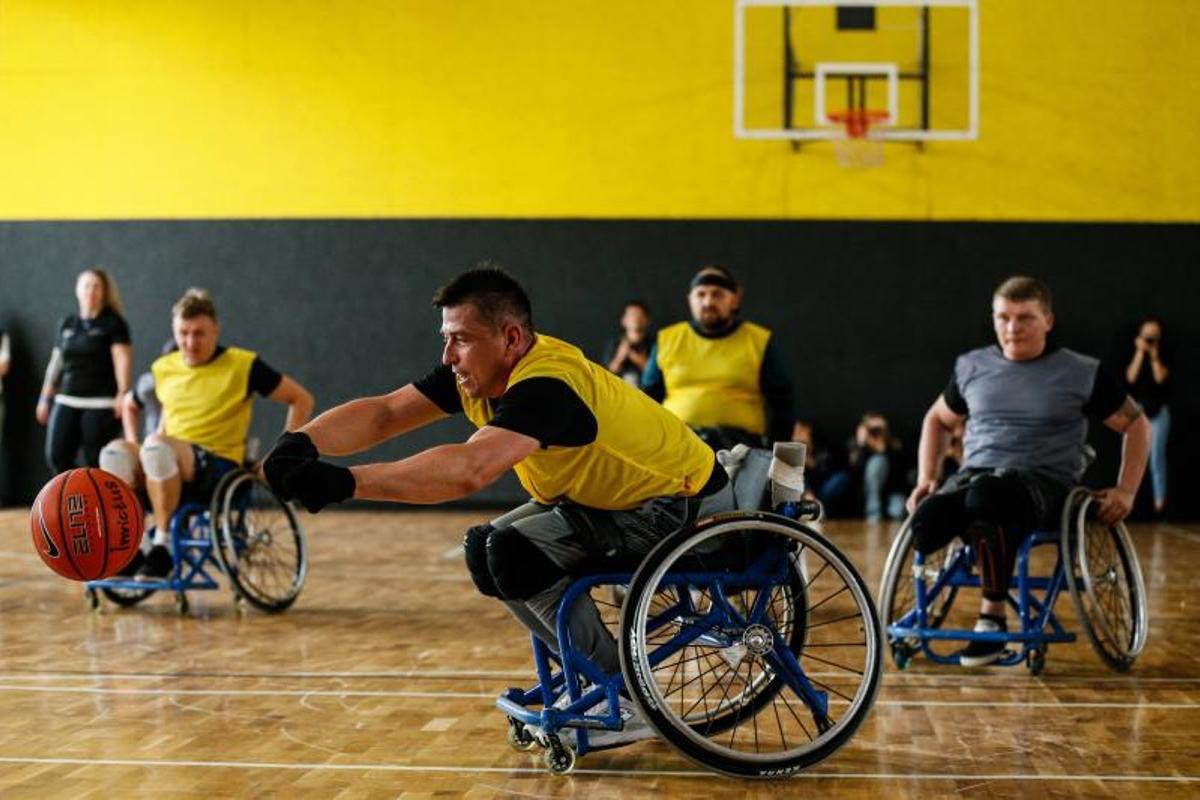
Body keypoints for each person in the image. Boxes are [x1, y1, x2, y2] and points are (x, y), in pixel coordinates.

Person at [262, 265, 734, 748]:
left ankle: (627, 695)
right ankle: (600, 677)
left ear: (510, 338)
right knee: (486, 550)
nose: (448, 356)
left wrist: (345, 483)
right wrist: (299, 441)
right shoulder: (477, 372)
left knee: (515, 553)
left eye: (460, 340)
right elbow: (384, 414)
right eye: (446, 339)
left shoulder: (548, 385)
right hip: (612, 503)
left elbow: (471, 468)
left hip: (680, 508)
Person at [907, 276, 1150, 667]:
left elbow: (1137, 425)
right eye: (1003, 317)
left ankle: (992, 618)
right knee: (926, 523)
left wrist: (1126, 490)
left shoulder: (1079, 371)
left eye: (1024, 318)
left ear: (1048, 321)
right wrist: (926, 477)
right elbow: (936, 418)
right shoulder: (973, 366)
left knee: (988, 497)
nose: (1012, 327)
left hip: (1045, 484)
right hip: (976, 477)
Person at [99, 288, 313, 580]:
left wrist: (282, 456)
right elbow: (130, 406)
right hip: (165, 460)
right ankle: (137, 545)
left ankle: (161, 547)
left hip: (218, 468)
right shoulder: (163, 368)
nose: (189, 342)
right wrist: (134, 442)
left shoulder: (243, 364)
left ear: (216, 330)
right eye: (182, 333)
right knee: (114, 453)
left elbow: (301, 399)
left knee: (156, 448)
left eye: (199, 333)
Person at [641, 265, 794, 451]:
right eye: (701, 294)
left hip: (742, 450)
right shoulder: (667, 339)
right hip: (677, 449)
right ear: (690, 300)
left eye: (717, 294)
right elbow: (647, 401)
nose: (708, 302)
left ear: (735, 299)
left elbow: (783, 405)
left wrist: (779, 462)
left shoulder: (758, 340)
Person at [36, 269, 132, 472]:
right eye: (86, 285)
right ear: (78, 290)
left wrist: (123, 393)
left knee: (95, 459)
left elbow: (122, 360)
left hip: (101, 402)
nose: (91, 290)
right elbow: (56, 363)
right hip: (68, 398)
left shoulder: (113, 323)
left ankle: (98, 499)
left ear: (104, 292)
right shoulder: (67, 324)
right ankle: (77, 496)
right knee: (57, 456)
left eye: (96, 286)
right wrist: (45, 397)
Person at [1125, 317, 1170, 515]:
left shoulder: (1164, 354)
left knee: (1156, 458)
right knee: (1131, 457)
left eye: (1154, 336)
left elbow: (1160, 378)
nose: (1151, 340)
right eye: (1147, 336)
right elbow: (1130, 378)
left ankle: (1159, 504)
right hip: (1137, 411)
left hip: (1159, 411)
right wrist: (1140, 351)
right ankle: (1130, 501)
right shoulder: (1135, 352)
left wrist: (1153, 355)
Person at [601, 301, 653, 386]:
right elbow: (605, 375)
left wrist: (640, 360)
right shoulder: (614, 344)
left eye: (639, 315)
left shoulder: (655, 344)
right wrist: (620, 357)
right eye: (632, 315)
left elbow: (660, 377)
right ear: (624, 320)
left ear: (646, 320)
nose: (635, 319)